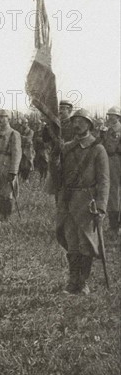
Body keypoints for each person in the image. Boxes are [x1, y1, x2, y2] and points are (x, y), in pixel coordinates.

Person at [56, 109, 110, 295]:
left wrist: (102, 206)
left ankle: (83, 281)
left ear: (89, 124)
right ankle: (73, 280)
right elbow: (59, 176)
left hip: (89, 203)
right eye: (74, 121)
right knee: (71, 242)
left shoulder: (98, 149)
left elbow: (104, 180)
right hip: (69, 201)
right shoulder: (66, 148)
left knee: (86, 243)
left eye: (81, 121)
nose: (77, 124)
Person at [101, 106, 121, 240]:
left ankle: (116, 227)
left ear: (118, 117)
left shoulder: (118, 129)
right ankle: (113, 225)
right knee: (109, 192)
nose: (109, 117)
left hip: (116, 160)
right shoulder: (107, 129)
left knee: (115, 192)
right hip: (107, 160)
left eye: (112, 115)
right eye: (109, 115)